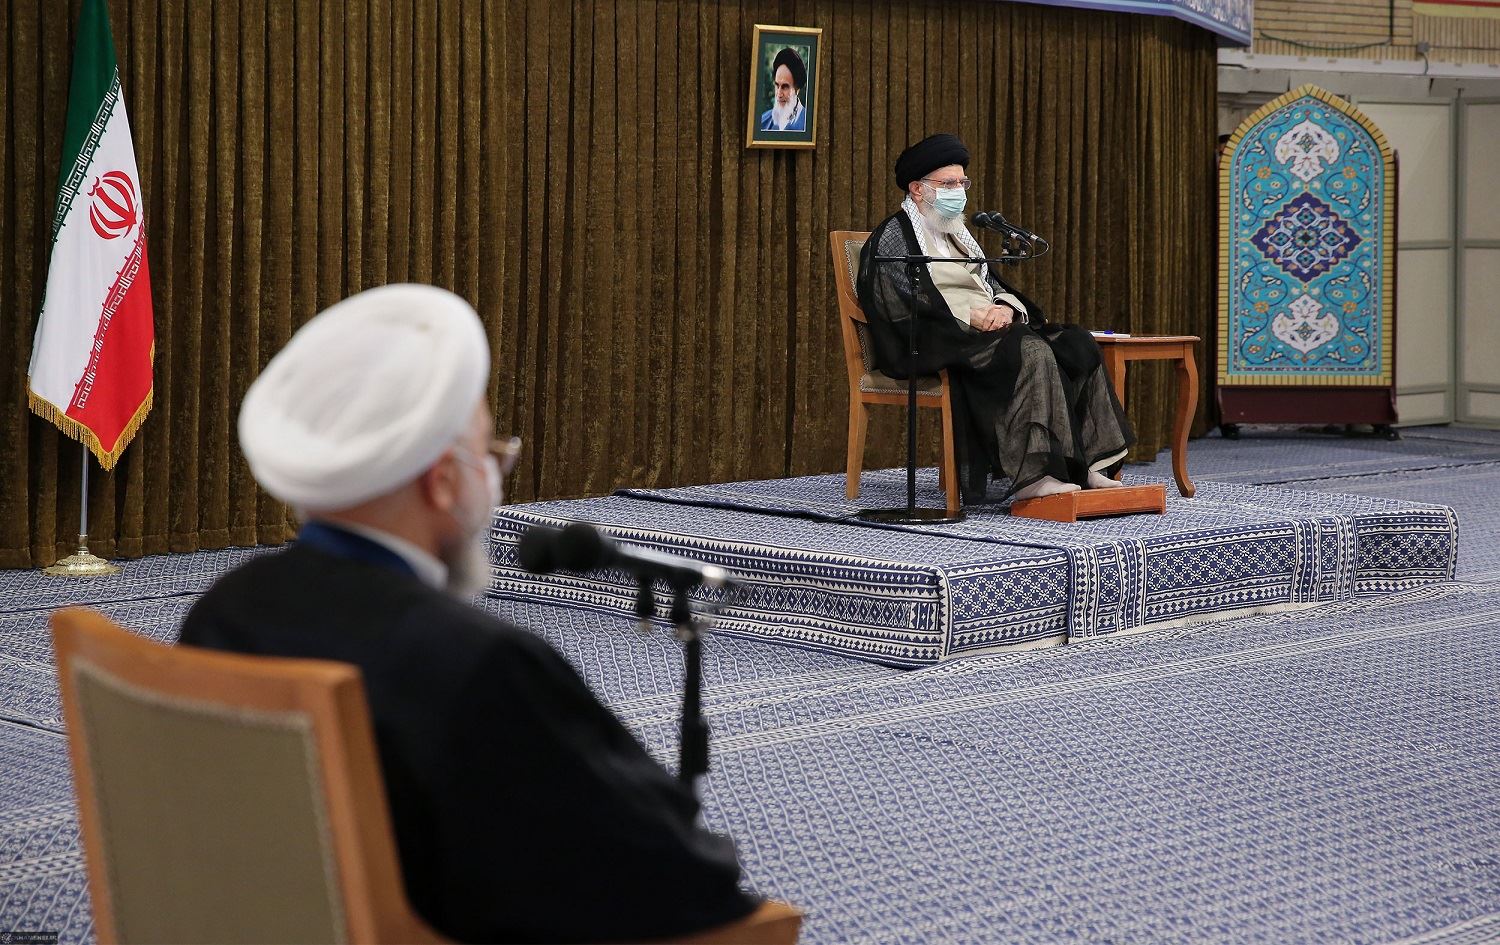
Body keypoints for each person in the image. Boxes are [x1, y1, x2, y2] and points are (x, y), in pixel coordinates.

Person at [179, 285, 758, 943]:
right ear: (443, 481)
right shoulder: (476, 664)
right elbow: (682, 881)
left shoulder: (221, 611)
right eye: (489, 453)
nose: (495, 474)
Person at [856, 133, 1134, 502]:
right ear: (917, 189)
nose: (959, 191)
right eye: (948, 184)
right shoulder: (893, 236)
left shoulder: (956, 233)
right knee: (1029, 349)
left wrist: (1006, 308)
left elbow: (990, 282)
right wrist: (969, 317)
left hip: (989, 330)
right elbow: (896, 301)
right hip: (935, 339)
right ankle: (1034, 475)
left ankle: (1088, 466)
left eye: (962, 183)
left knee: (1076, 342)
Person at [759, 47, 807, 132]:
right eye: (777, 85)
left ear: (797, 88)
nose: (779, 94)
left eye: (785, 87)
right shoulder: (762, 121)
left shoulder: (808, 124)